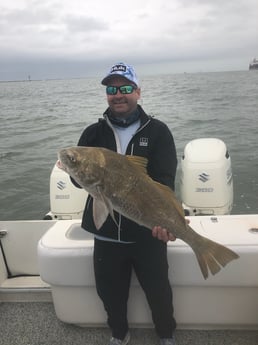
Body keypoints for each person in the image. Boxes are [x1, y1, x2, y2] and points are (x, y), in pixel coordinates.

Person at [74, 62, 178, 345]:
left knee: (158, 290)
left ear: (138, 92)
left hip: (148, 232)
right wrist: (74, 172)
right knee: (109, 291)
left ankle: (166, 335)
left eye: (125, 88)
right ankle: (119, 334)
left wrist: (167, 220)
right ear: (106, 94)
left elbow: (165, 181)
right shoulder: (92, 134)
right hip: (105, 233)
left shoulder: (158, 132)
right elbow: (78, 181)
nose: (118, 94)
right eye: (111, 89)